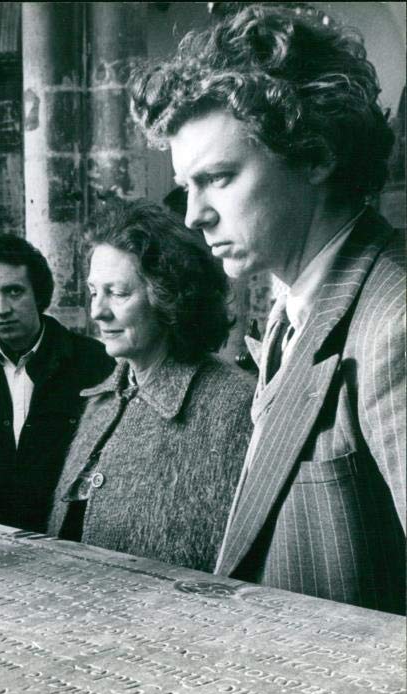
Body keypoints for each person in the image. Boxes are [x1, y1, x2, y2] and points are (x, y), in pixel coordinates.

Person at [130, 3, 405, 613]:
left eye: (219, 178)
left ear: (313, 155)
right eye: (188, 185)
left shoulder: (395, 324)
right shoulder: (295, 308)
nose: (193, 214)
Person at [47, 199, 255, 572]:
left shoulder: (236, 405)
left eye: (118, 293)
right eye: (95, 291)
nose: (97, 311)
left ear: (170, 296)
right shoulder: (100, 404)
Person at [0, 234, 114, 532]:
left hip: (69, 536)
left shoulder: (92, 361)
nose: (2, 308)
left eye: (14, 291)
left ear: (38, 294)